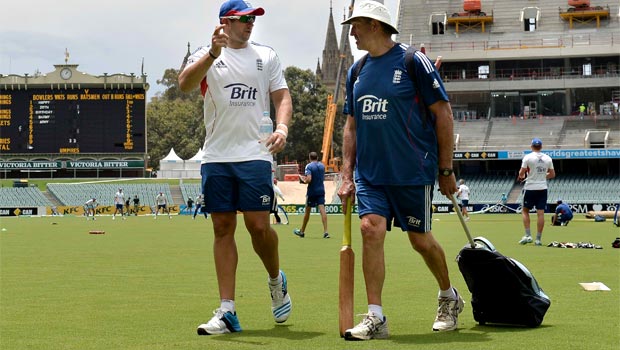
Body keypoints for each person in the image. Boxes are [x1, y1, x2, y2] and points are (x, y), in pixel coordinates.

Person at [336, 0, 464, 341]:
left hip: (412, 171)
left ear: (375, 25)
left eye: (356, 25)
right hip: (371, 174)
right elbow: (351, 126)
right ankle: (375, 316)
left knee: (421, 242)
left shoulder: (412, 62)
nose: (352, 32)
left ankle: (448, 296)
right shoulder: (357, 71)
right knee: (370, 229)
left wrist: (446, 169)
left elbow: (443, 114)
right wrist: (347, 173)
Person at [178, 0, 293, 335]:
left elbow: (282, 97)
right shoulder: (205, 53)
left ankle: (276, 280)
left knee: (259, 227)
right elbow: (185, 84)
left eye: (252, 19)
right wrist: (212, 54)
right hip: (216, 156)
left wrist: (282, 128)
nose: (250, 24)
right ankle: (227, 310)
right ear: (224, 23)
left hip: (255, 154)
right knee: (222, 228)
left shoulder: (266, 56)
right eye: (244, 19)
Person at [518, 138, 555, 246]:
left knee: (525, 211)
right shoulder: (548, 158)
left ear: (531, 146)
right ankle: (538, 239)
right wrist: (543, 176)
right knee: (540, 213)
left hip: (530, 187)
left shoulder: (528, 157)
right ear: (541, 147)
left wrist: (523, 176)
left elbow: (521, 173)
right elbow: (552, 174)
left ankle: (528, 235)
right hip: (542, 187)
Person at [293, 152, 329, 238]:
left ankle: (302, 231)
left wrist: (303, 180)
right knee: (322, 210)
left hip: (312, 191)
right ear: (317, 157)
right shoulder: (322, 166)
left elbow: (309, 179)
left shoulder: (309, 166)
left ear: (309, 158)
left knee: (307, 212)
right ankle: (326, 232)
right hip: (321, 190)